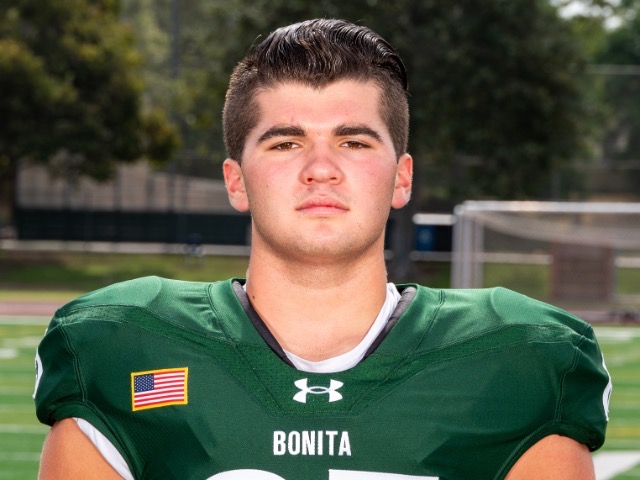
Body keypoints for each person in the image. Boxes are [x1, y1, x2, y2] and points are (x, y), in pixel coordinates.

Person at [34, 18, 611, 480]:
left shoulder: (515, 359)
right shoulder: (125, 346)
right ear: (236, 181)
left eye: (353, 142)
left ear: (402, 178)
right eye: (285, 143)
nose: (320, 169)